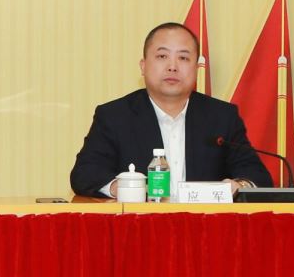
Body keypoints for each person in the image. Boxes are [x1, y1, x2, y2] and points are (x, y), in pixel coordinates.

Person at [70, 21, 273, 198]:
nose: (172, 66)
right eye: (162, 56)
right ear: (143, 66)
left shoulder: (222, 117)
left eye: (183, 58)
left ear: (196, 69)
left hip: (204, 226)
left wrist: (240, 185)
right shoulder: (115, 116)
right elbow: (85, 173)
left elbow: (257, 176)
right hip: (140, 226)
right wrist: (121, 188)